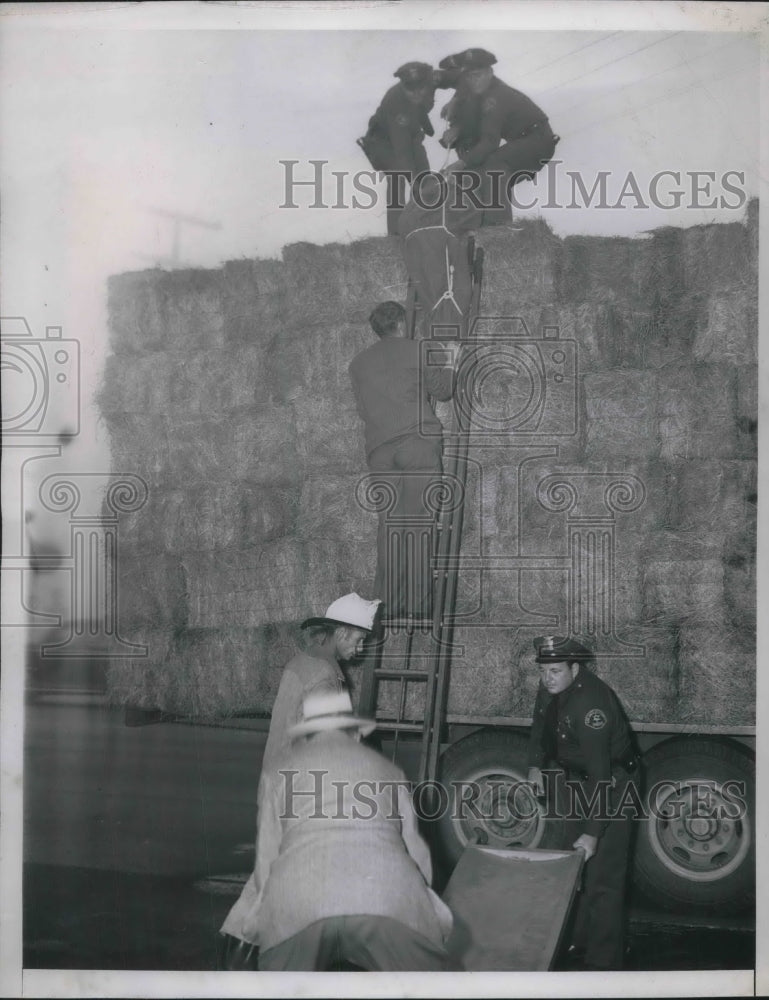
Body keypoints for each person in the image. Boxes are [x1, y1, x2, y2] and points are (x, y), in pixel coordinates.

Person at [218, 593, 381, 968]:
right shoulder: (325, 678)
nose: (360, 648)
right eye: (357, 639)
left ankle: (244, 957)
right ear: (340, 632)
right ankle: (247, 961)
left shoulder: (302, 663)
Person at [252, 689, 453, 970]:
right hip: (386, 899)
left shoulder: (277, 772)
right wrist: (427, 912)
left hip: (298, 903)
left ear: (307, 736)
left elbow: (265, 863)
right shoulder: (390, 771)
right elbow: (418, 856)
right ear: (357, 734)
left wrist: (263, 923)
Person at [526, 635, 639, 971]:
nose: (548, 678)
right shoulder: (550, 689)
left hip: (614, 786)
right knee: (572, 866)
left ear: (575, 668)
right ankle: (577, 940)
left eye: (556, 671)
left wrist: (593, 832)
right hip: (576, 779)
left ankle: (604, 964)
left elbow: (602, 776)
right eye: (544, 670)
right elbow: (538, 728)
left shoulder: (591, 706)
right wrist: (534, 765)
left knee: (603, 874)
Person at [349, 301, 456, 621]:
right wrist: (451, 361)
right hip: (417, 446)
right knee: (420, 525)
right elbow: (444, 389)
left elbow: (363, 411)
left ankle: (389, 603)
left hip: (381, 453)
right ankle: (419, 605)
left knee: (390, 527)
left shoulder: (358, 364)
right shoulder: (418, 349)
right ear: (402, 324)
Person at [450, 48, 558, 226]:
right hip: (525, 140)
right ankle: (478, 223)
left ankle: (498, 228)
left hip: (537, 140)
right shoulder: (482, 93)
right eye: (469, 77)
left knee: (493, 164)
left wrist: (460, 163)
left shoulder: (494, 97)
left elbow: (490, 142)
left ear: (489, 73)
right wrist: (457, 127)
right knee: (479, 173)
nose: (473, 81)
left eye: (477, 75)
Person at [358, 61, 436, 235]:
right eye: (410, 89)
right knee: (398, 176)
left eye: (420, 88)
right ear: (402, 85)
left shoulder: (430, 82)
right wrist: (414, 180)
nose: (416, 93)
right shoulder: (395, 102)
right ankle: (396, 236)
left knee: (425, 178)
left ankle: (422, 228)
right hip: (382, 142)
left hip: (410, 134)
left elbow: (447, 80)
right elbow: (402, 151)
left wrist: (429, 126)